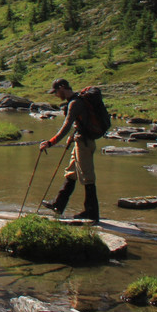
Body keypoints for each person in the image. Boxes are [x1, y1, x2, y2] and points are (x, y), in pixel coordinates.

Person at [39, 78, 100, 221]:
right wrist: (73, 136)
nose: (56, 95)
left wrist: (50, 142)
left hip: (83, 143)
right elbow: (80, 123)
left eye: (56, 92)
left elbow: (66, 126)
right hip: (80, 141)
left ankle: (92, 213)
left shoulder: (75, 103)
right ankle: (58, 204)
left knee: (87, 177)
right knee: (71, 172)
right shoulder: (77, 100)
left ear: (62, 87)